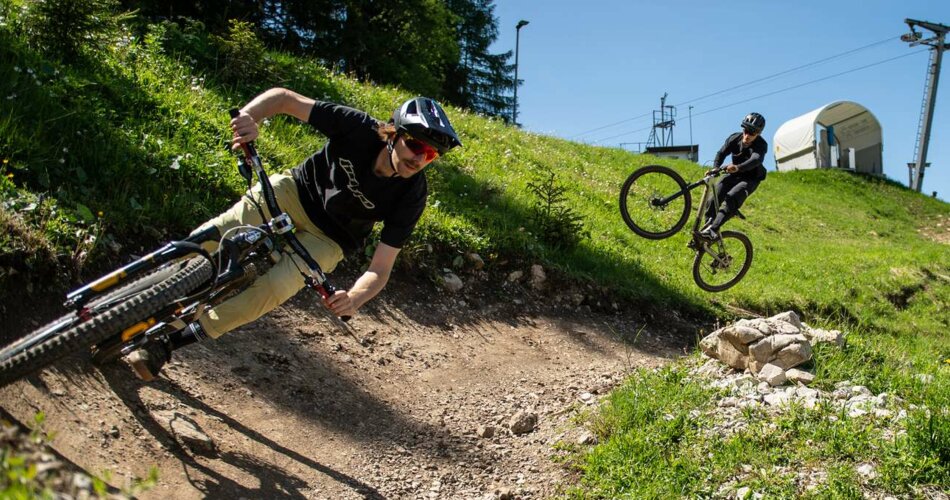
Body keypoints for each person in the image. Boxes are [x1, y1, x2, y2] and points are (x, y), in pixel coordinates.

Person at [127, 88, 462, 381]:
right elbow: (285, 99)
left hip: (330, 239)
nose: (419, 158)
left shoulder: (412, 195)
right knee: (212, 235)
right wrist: (249, 117)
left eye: (431, 154)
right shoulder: (359, 127)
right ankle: (143, 288)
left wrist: (355, 298)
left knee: (273, 289)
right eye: (415, 144)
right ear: (393, 133)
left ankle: (167, 344)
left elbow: (380, 268)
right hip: (293, 193)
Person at [699, 112, 767, 240]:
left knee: (733, 196)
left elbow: (756, 160)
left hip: (750, 178)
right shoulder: (734, 138)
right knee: (713, 199)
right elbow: (721, 153)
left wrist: (738, 167)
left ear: (758, 134)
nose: (747, 136)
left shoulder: (761, 145)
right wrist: (715, 168)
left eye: (751, 133)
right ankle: (706, 231)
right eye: (746, 131)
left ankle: (713, 230)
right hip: (734, 174)